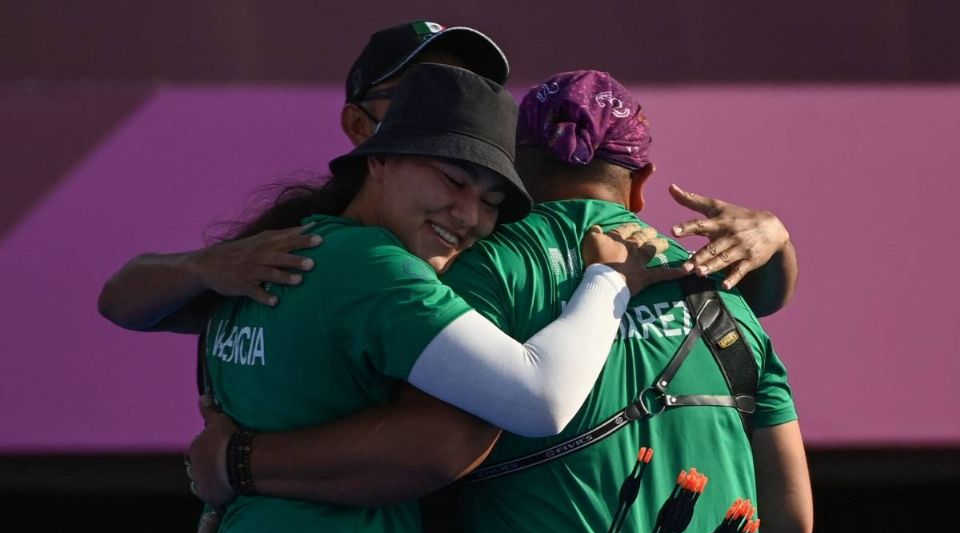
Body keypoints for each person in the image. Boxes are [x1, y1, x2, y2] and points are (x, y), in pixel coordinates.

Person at [187, 71, 813, 533]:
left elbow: (431, 445)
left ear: (510, 167)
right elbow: (792, 519)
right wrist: (777, 236)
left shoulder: (475, 268)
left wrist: (235, 464)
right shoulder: (729, 294)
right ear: (643, 183)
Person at [97, 21, 798, 333]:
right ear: (360, 132)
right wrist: (206, 266)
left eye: (469, 103)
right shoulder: (306, 242)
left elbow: (746, 297)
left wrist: (773, 234)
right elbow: (122, 300)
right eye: (415, 101)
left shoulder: (514, 230)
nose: (468, 204)